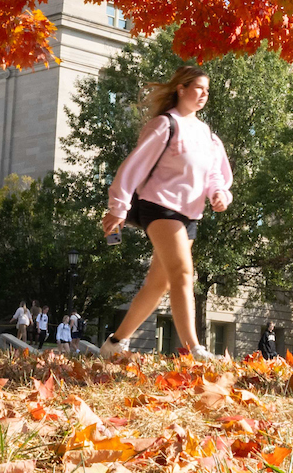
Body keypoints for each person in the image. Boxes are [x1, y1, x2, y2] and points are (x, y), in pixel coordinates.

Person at [98, 65, 234, 359]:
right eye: (198, 88)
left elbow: (214, 174)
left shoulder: (206, 134)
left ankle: (114, 344)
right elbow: (133, 167)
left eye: (207, 90)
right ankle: (195, 349)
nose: (203, 94)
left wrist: (219, 193)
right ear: (181, 89)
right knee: (184, 273)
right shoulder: (165, 124)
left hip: (190, 214)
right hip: (159, 206)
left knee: (159, 284)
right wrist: (118, 207)